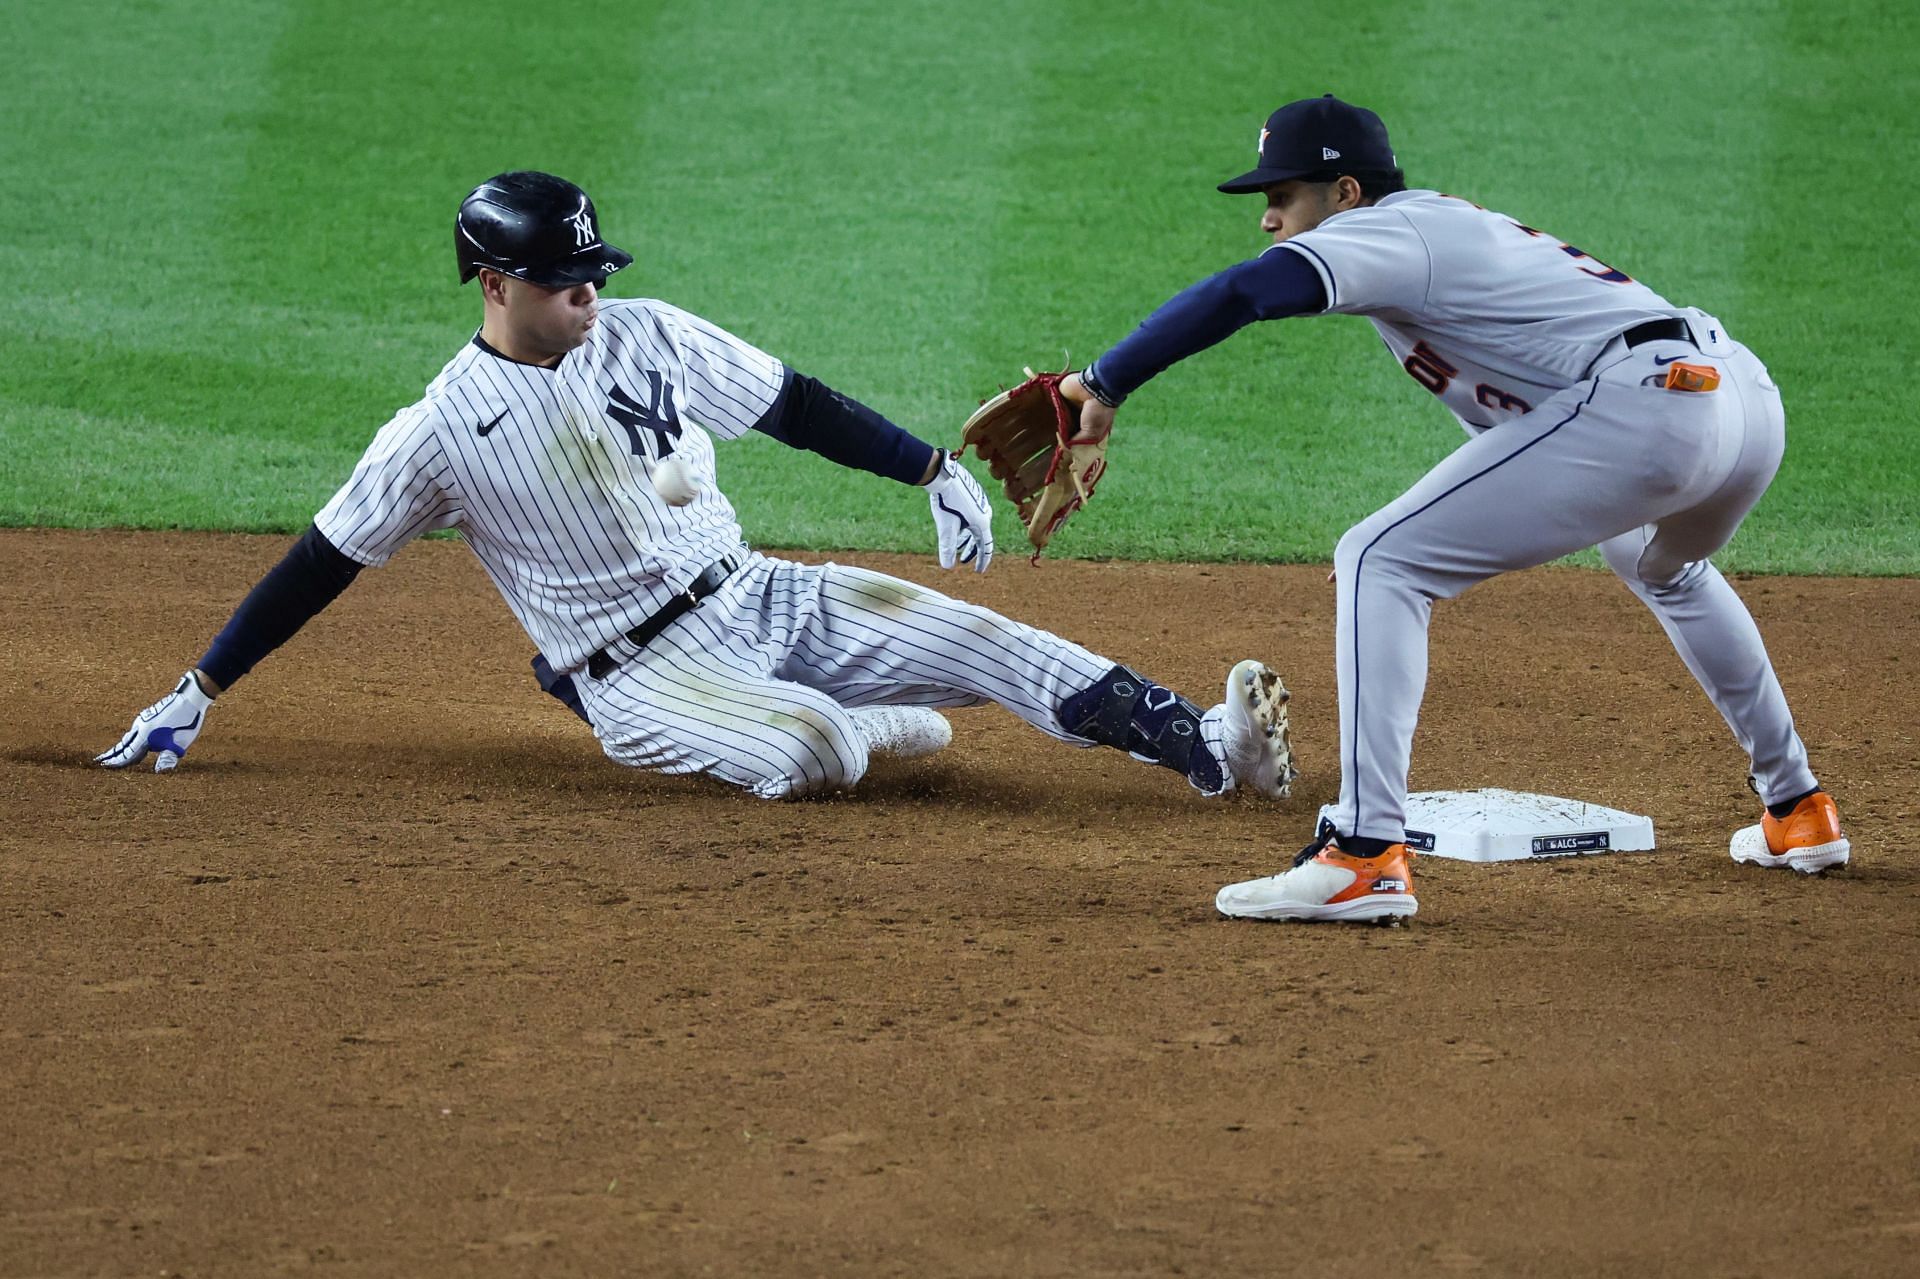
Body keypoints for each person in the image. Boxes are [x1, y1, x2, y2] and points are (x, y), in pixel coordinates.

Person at [97, 171, 1297, 805]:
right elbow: (322, 562)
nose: (590, 295)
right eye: (565, 282)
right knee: (814, 746)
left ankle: (1201, 745)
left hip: (763, 593)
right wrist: (201, 686)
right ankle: (861, 726)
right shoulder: (438, 434)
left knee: (994, 640)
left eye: (592, 274)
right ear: (494, 283)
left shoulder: (647, 335)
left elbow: (794, 403)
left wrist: (928, 468)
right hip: (639, 672)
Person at [1050, 95, 1847, 922]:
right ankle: (1798, 809)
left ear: (1345, 193)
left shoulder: (1394, 233)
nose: (1268, 218)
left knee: (1379, 559)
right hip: (1736, 402)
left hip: (1656, 407)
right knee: (1662, 567)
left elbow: (1245, 292)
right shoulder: (1444, 263)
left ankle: (1362, 854)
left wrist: (1102, 381)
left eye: (1282, 196)